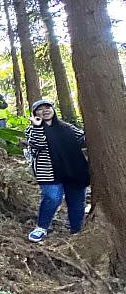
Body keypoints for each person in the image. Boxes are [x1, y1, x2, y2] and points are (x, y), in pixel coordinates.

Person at [25, 100, 89, 243]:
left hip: (74, 170)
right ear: (35, 113)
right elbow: (38, 144)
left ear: (53, 109)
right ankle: (41, 227)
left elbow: (83, 139)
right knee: (52, 198)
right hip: (48, 173)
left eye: (47, 107)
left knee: (77, 202)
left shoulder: (67, 127)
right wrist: (37, 126)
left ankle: (76, 230)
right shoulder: (32, 129)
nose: (45, 110)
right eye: (40, 109)